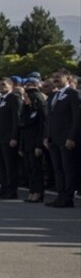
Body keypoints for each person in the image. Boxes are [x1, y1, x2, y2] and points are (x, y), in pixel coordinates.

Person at [44, 70, 80, 208]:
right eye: (54, 77)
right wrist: (47, 136)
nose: (55, 79)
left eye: (58, 77)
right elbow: (49, 119)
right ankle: (60, 195)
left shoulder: (73, 94)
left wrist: (72, 137)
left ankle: (68, 197)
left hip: (66, 138)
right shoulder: (54, 95)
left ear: (68, 78)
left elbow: (76, 118)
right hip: (53, 138)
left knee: (68, 168)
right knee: (57, 168)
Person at [0, 77, 22, 199]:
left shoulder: (14, 98)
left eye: (4, 85)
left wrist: (14, 136)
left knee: (10, 165)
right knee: (1, 165)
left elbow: (16, 119)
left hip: (8, 137)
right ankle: (3, 188)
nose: (1, 87)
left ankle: (11, 190)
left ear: (11, 86)